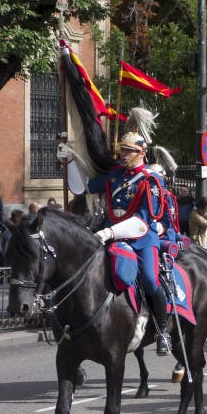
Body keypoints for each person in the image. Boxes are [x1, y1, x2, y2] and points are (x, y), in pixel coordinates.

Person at [77, 131, 172, 356]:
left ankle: (162, 331)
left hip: (141, 240)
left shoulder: (151, 180)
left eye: (129, 151)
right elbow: (83, 187)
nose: (124, 155)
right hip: (113, 235)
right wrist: (71, 159)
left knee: (149, 279)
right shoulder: (114, 176)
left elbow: (142, 222)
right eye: (122, 150)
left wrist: (109, 232)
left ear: (142, 152)